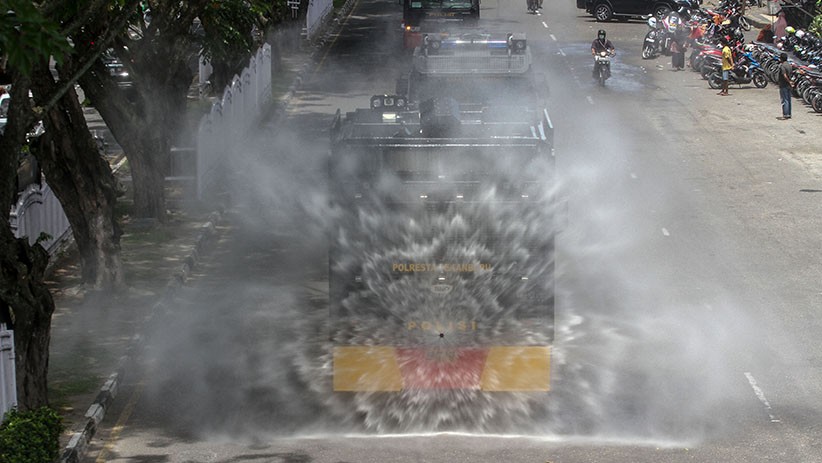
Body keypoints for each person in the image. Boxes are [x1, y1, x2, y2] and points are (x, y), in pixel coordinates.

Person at [777, 52, 793, 119]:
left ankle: (786, 114)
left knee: (784, 100)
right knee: (788, 99)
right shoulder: (789, 65)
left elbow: (784, 75)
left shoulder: (782, 66)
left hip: (784, 84)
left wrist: (788, 81)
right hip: (788, 85)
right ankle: (789, 113)